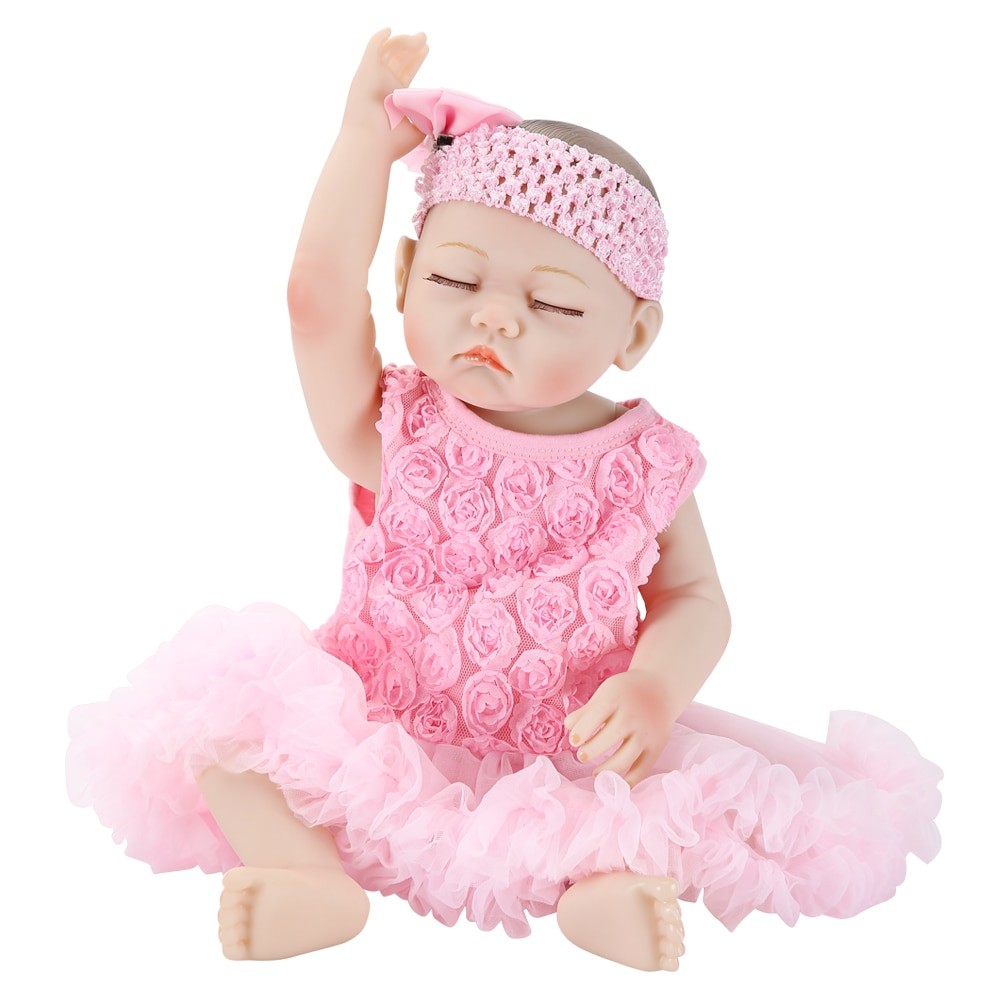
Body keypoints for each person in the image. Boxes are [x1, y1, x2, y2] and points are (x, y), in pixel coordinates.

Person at [66, 29, 942, 973]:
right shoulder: (393, 426)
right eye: (454, 280)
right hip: (371, 738)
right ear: (406, 277)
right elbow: (315, 298)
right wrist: (363, 142)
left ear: (634, 333)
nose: (494, 315)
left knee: (671, 805)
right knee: (217, 718)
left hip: (557, 754)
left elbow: (694, 599)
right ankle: (306, 870)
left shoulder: (645, 463)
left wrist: (654, 689)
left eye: (553, 305)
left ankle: (599, 892)